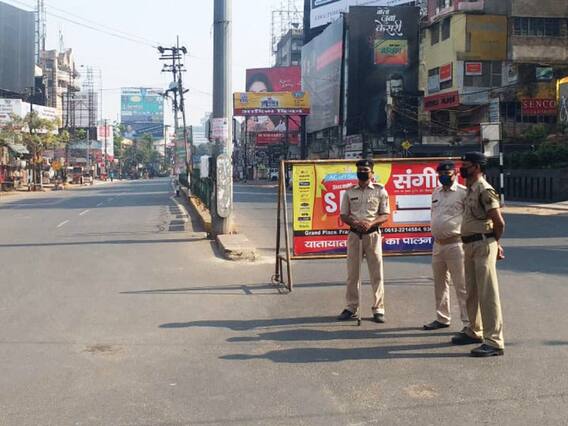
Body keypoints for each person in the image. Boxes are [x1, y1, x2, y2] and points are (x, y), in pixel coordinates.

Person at [451, 152, 506, 357]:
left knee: (487, 293)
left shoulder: (484, 189)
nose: (462, 168)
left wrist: (495, 242)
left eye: (466, 165)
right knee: (471, 290)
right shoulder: (470, 189)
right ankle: (475, 331)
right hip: (470, 245)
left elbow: (499, 222)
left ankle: (494, 341)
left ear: (476, 167)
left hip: (483, 244)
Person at [338, 159, 390, 323]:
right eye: (359, 170)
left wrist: (371, 223)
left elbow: (385, 214)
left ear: (372, 173)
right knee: (353, 274)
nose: (362, 172)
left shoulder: (380, 190)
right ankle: (351, 307)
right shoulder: (349, 192)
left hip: (373, 235)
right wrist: (355, 223)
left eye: (365, 170)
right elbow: (343, 215)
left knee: (377, 274)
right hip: (354, 235)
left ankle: (378, 308)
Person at [423, 160, 469, 331]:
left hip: (456, 244)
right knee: (440, 284)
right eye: (440, 174)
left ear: (455, 174)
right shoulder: (436, 192)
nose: (443, 177)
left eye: (447, 174)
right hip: (438, 244)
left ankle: (469, 323)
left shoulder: (463, 193)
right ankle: (442, 318)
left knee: (462, 286)